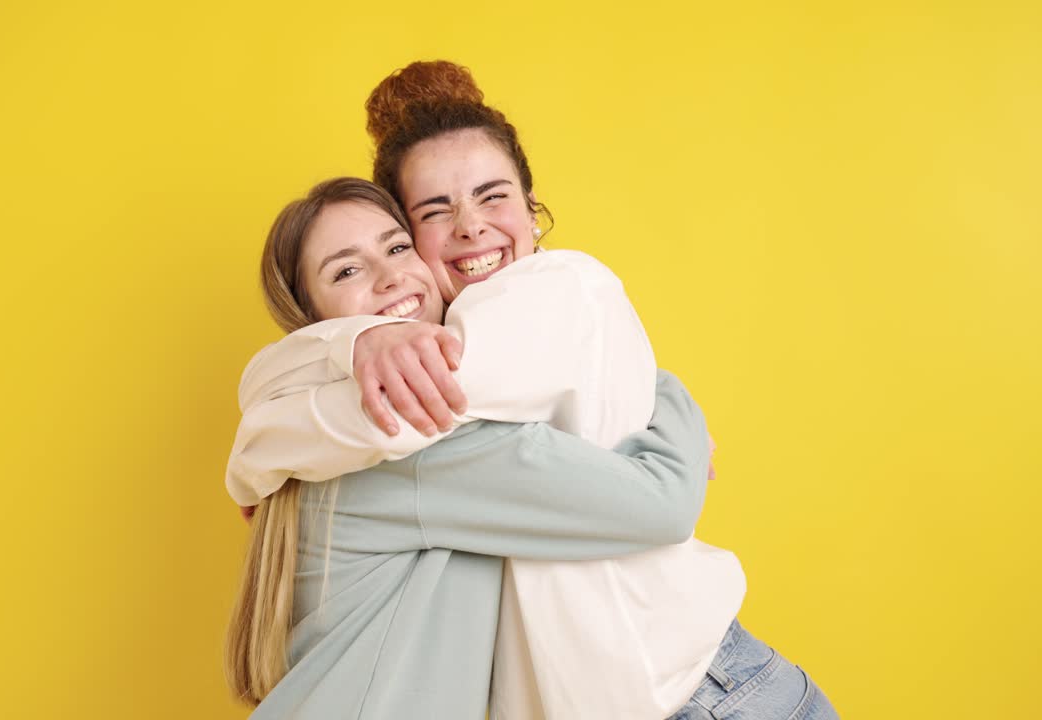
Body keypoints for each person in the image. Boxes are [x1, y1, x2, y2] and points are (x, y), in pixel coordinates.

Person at [228, 61, 839, 719]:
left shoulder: (560, 288)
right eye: (434, 212)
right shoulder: (425, 395)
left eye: (495, 197)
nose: (470, 227)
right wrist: (344, 348)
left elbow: (657, 504)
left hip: (705, 693)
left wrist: (665, 397)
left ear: (533, 209)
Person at [224, 175, 714, 719]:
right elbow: (663, 502)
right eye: (346, 270)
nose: (391, 277)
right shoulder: (415, 442)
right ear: (311, 321)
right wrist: (664, 391)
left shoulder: (321, 441)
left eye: (397, 247)